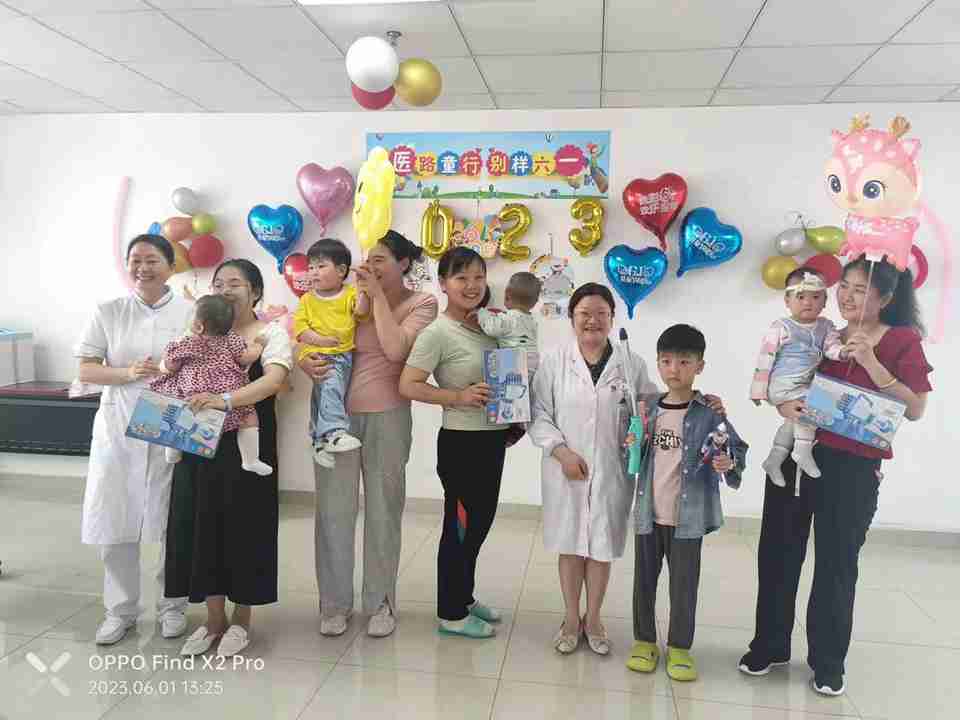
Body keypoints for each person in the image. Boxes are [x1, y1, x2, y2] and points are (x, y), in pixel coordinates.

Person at [740, 256, 932, 697]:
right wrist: (781, 404)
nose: (846, 295)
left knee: (836, 563)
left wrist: (871, 361)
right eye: (844, 285)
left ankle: (828, 662)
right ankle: (769, 645)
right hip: (799, 453)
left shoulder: (901, 340)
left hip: (853, 468)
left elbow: (916, 408)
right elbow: (784, 376)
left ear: (886, 298)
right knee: (777, 553)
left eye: (860, 289)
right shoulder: (820, 330)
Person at [305, 230, 437, 638]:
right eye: (367, 259)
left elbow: (396, 350)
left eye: (379, 259)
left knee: (383, 511)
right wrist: (304, 359)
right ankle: (334, 605)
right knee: (333, 512)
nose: (370, 266)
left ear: (403, 263)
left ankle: (381, 602)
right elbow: (310, 333)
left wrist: (377, 297)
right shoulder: (348, 298)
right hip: (334, 421)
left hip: (388, 417)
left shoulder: (422, 303)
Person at [164, 259, 292, 658]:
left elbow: (273, 381)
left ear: (255, 291)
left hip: (247, 440)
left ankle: (242, 619)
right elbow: (175, 370)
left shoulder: (269, 333)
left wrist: (224, 399)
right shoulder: (198, 329)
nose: (224, 289)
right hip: (198, 439)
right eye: (218, 283)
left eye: (234, 283)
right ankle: (213, 619)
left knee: (246, 526)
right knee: (201, 524)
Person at [75, 234, 193, 645]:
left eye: (152, 260)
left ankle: (173, 606)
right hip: (119, 421)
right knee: (115, 518)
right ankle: (120, 610)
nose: (142, 268)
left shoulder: (191, 311)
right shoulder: (109, 310)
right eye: (135, 260)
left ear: (171, 266)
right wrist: (127, 373)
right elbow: (86, 369)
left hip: (170, 419)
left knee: (172, 518)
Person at [529, 283, 658, 656]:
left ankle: (595, 618)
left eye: (601, 313)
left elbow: (648, 408)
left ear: (612, 319)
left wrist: (642, 429)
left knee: (601, 546)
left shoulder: (631, 364)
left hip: (612, 471)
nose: (593, 321)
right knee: (570, 545)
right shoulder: (555, 361)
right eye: (584, 313)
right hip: (565, 470)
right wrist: (561, 452)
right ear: (572, 318)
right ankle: (572, 618)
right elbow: (538, 412)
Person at [624, 324, 747, 681]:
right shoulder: (647, 408)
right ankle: (644, 641)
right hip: (649, 514)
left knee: (684, 585)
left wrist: (728, 463)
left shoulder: (709, 413)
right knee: (643, 583)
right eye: (666, 361)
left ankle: (679, 647)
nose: (674, 369)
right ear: (658, 364)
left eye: (684, 362)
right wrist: (631, 442)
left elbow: (735, 448)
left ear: (699, 366)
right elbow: (632, 453)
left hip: (687, 520)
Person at [399, 247, 505, 639]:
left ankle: (464, 595)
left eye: (478, 277)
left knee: (479, 526)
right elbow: (408, 384)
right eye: (461, 278)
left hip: (492, 438)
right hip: (462, 444)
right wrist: (457, 397)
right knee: (459, 528)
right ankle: (451, 612)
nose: (472, 285)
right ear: (443, 284)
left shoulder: (489, 326)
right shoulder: (437, 333)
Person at [151, 294, 271, 476]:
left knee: (177, 412)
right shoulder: (232, 339)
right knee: (248, 416)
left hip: (193, 393)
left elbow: (170, 366)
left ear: (198, 326)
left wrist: (162, 366)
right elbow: (247, 357)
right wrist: (259, 344)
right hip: (225, 394)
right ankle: (250, 459)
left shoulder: (186, 342)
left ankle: (173, 450)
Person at [750, 268, 844, 485]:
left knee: (792, 421)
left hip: (804, 384)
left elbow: (832, 348)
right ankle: (802, 451)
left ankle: (775, 458)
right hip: (783, 384)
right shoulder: (781, 327)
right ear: (787, 300)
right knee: (815, 407)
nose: (808, 303)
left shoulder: (826, 326)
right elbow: (765, 358)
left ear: (825, 301)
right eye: (800, 297)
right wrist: (758, 390)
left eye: (815, 297)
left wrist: (843, 352)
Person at [293, 239, 369, 468]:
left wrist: (363, 290)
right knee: (332, 389)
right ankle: (335, 432)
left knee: (323, 396)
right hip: (319, 354)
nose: (314, 272)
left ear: (341, 270)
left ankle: (318, 442)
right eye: (311, 267)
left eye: (321, 266)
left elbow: (361, 313)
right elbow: (301, 330)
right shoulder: (307, 299)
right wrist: (321, 341)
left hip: (341, 354)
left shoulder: (349, 294)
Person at [476, 271, 542, 373]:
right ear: (535, 302)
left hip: (516, 360)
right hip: (533, 361)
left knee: (500, 375)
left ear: (507, 296)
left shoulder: (508, 318)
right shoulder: (532, 321)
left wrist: (481, 312)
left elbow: (491, 328)